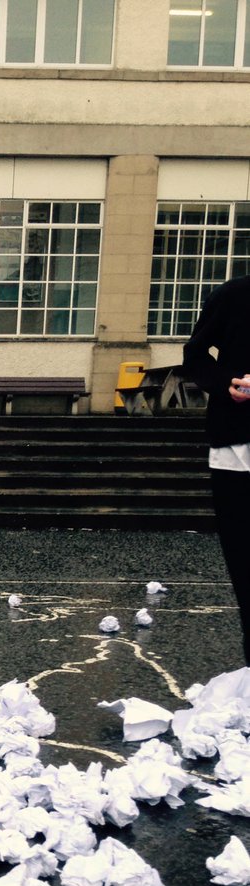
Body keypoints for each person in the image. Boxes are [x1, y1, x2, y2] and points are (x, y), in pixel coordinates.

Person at [183, 275, 250, 665]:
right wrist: (226, 383)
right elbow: (195, 354)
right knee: (244, 563)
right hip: (236, 446)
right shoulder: (234, 294)